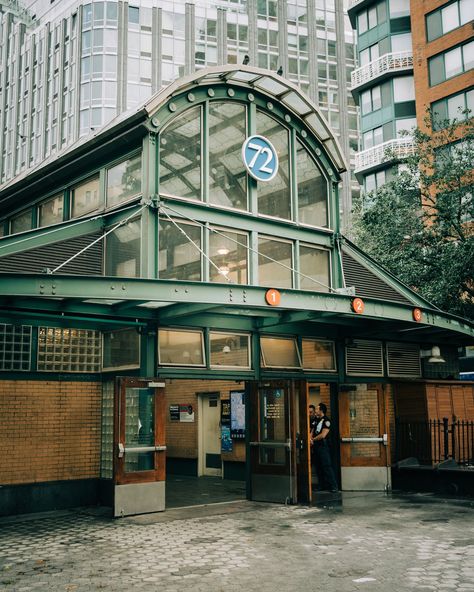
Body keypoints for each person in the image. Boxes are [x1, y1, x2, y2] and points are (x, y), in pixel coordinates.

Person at [311, 402, 338, 493]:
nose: (316, 411)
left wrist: (313, 439)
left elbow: (323, 435)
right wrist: (310, 439)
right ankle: (321, 485)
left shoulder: (326, 421)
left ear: (321, 411)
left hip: (323, 446)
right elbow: (312, 430)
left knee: (327, 466)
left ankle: (333, 486)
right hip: (316, 447)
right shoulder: (316, 420)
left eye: (317, 409)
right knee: (318, 467)